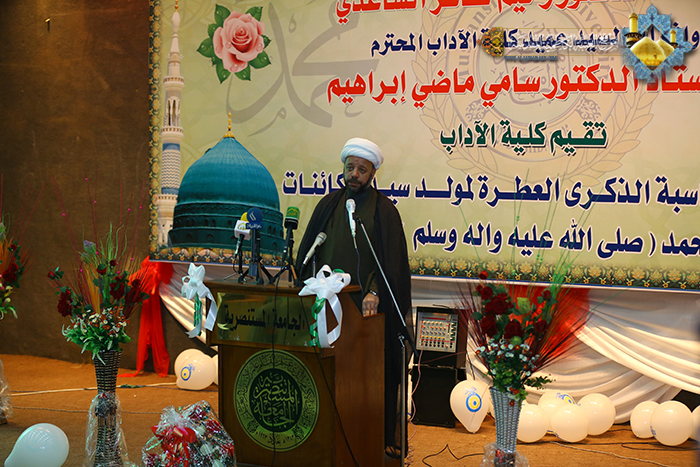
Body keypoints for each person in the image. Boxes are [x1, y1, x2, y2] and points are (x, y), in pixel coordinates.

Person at [295, 137, 412, 457]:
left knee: (371, 375)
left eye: (362, 169)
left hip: (366, 310)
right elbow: (309, 251)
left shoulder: (384, 211)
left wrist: (375, 290)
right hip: (327, 304)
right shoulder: (329, 205)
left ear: (373, 173)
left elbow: (390, 263)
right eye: (350, 168)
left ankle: (379, 436)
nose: (355, 175)